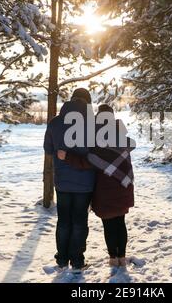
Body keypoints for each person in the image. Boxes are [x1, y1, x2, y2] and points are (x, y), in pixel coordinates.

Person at [57, 104, 135, 268]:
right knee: (120, 223)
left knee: (109, 225)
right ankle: (121, 256)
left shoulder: (98, 137)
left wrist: (67, 157)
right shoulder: (121, 135)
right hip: (123, 186)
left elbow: (88, 161)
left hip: (105, 190)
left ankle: (113, 258)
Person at [43, 88, 95, 271]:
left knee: (64, 220)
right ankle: (77, 260)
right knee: (80, 220)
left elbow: (48, 149)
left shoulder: (55, 123)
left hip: (63, 181)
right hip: (86, 182)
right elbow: (98, 155)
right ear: (87, 103)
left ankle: (62, 259)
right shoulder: (94, 124)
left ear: (71, 100)